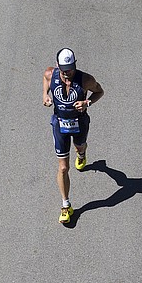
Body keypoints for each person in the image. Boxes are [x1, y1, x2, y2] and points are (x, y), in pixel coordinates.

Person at [42, 47, 103, 224]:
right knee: (63, 167)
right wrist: (45, 95)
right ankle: (66, 206)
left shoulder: (85, 79)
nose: (67, 73)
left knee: (80, 146)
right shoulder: (50, 73)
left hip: (79, 122)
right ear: (57, 66)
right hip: (59, 124)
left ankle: (82, 153)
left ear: (75, 65)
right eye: (64, 70)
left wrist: (87, 102)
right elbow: (45, 79)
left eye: (70, 69)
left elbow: (100, 91)